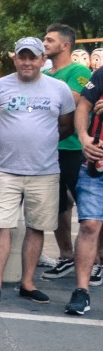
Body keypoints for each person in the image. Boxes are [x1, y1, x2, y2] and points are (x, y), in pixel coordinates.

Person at [0, 37, 73, 304]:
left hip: (45, 171)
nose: (27, 62)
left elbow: (66, 126)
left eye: (33, 57)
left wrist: (40, 141)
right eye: (22, 57)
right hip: (7, 170)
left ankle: (27, 283)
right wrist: (12, 140)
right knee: (0, 225)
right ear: (15, 59)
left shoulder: (59, 89)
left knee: (37, 227)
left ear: (43, 60)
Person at [39, 24, 93, 281]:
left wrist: (38, 97)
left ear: (66, 45)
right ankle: (66, 256)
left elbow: (71, 100)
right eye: (44, 39)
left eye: (50, 40)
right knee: (58, 206)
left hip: (73, 149)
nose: (44, 43)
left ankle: (97, 260)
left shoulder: (79, 70)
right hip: (48, 150)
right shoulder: (44, 72)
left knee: (89, 206)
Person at [67, 64, 103, 316]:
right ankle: (81, 291)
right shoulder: (101, 74)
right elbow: (83, 105)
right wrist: (83, 136)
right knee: (89, 225)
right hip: (96, 163)